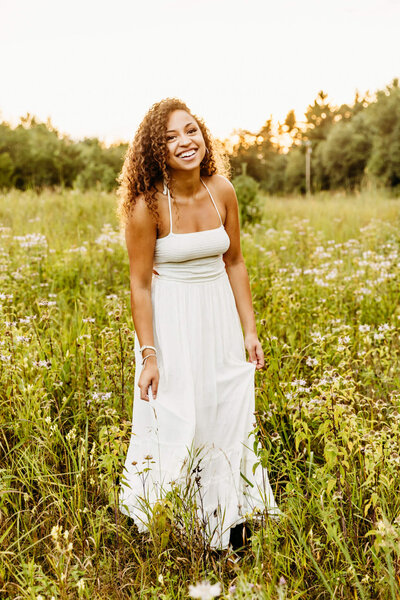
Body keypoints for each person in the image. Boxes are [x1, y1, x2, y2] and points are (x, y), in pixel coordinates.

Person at [117, 98, 281, 551]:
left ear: (203, 134)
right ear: (155, 149)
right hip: (171, 324)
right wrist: (149, 355)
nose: (184, 142)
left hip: (219, 318)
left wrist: (249, 330)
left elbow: (235, 262)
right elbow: (140, 286)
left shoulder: (221, 190)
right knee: (179, 416)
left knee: (226, 411)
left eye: (190, 130)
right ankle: (170, 515)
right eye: (169, 137)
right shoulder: (145, 206)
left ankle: (231, 516)